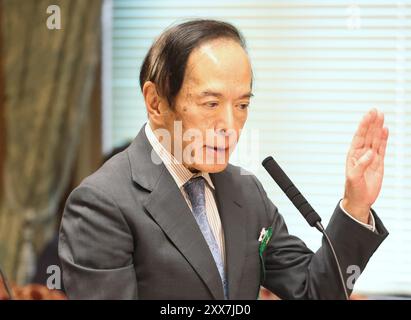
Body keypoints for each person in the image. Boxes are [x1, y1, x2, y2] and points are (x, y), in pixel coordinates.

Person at [59, 19, 389, 299]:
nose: (231, 127)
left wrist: (356, 205)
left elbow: (315, 292)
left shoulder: (246, 191)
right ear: (156, 102)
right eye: (211, 104)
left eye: (242, 105)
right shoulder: (102, 204)